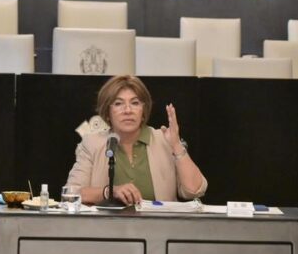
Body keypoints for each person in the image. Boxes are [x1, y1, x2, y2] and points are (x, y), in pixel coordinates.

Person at [67, 75, 207, 206]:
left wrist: (176, 145)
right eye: (118, 103)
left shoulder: (163, 140)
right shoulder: (93, 144)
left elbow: (195, 190)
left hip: (158, 223)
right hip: (108, 224)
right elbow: (71, 193)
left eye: (135, 103)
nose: (128, 110)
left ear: (143, 110)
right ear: (107, 112)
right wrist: (109, 191)